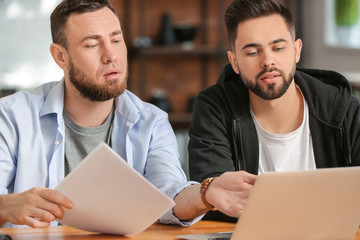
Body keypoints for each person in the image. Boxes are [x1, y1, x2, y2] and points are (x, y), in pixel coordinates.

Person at [0, 0, 254, 229]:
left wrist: (206, 194)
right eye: (92, 44)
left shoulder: (152, 122)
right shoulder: (12, 117)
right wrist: (6, 206)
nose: (111, 56)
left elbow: (167, 195)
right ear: (60, 57)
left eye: (116, 40)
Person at [188, 0, 360, 222]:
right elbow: (216, 203)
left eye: (278, 48)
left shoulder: (343, 109)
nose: (268, 61)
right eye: (252, 52)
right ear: (235, 62)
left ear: (297, 51)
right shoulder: (215, 109)